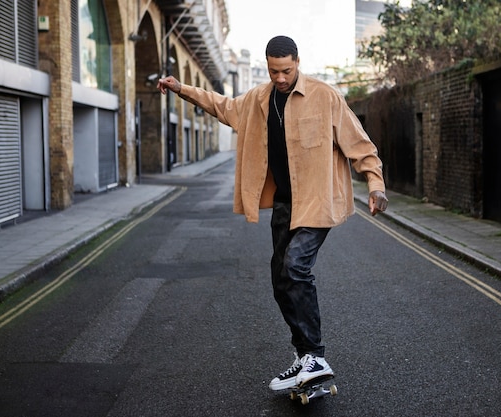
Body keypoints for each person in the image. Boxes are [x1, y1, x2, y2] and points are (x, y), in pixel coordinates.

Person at [157, 35, 388, 390]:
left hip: (317, 202)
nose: (280, 77)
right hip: (283, 204)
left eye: (286, 70)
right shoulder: (258, 100)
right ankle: (303, 356)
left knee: (296, 267)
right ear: (267, 65)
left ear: (297, 61)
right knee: (281, 281)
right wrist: (181, 88)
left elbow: (360, 144)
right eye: (273, 70)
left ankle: (315, 354)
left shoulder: (325, 96)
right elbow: (223, 106)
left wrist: (375, 184)